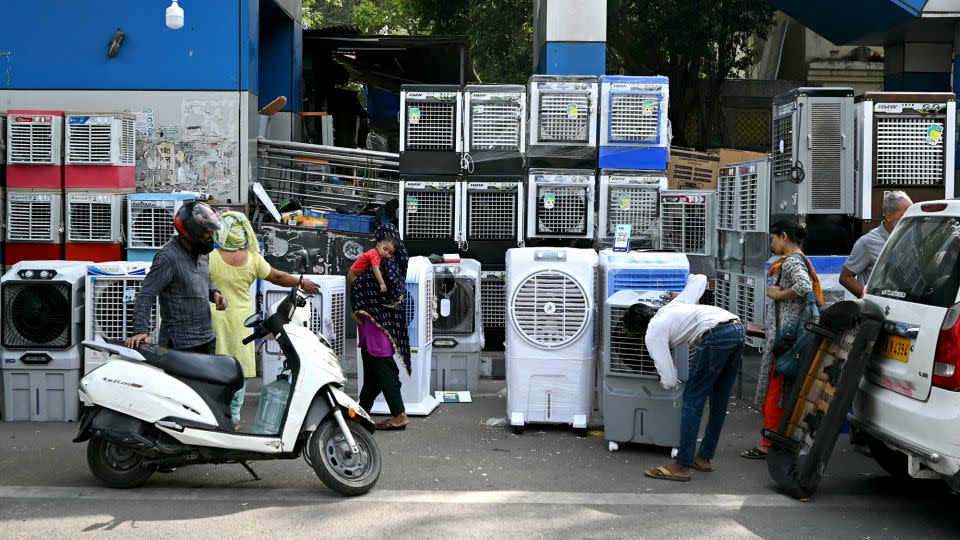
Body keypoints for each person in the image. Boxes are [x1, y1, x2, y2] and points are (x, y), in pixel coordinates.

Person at [208, 211, 320, 429]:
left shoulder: (209, 258)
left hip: (214, 318)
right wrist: (302, 282)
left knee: (213, 366)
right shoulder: (252, 259)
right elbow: (278, 277)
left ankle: (214, 415)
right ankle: (234, 418)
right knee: (239, 368)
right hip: (242, 320)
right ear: (245, 233)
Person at [628, 274, 745, 482]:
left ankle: (682, 465)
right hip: (736, 328)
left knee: (692, 398)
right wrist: (679, 292)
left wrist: (664, 384)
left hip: (716, 335)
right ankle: (704, 458)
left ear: (638, 330)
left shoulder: (652, 332)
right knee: (719, 401)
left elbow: (670, 379)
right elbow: (700, 279)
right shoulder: (671, 307)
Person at [741, 220, 825, 460]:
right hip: (790, 336)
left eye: (773, 238)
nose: (771, 243)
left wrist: (778, 293)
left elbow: (803, 286)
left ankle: (768, 443)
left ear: (784, 237)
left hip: (786, 339)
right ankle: (777, 439)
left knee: (776, 391)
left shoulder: (791, 262)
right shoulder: (796, 260)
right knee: (782, 391)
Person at [127, 201, 227, 354]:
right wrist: (140, 330)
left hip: (207, 338)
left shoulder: (202, 254)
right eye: (207, 231)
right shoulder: (167, 258)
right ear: (193, 232)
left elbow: (204, 279)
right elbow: (146, 296)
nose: (211, 235)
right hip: (180, 344)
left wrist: (214, 293)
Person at [351, 223, 410, 430]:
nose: (386, 254)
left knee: (384, 368)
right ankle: (361, 413)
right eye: (385, 249)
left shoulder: (386, 264)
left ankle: (399, 414)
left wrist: (357, 290)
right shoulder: (383, 261)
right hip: (372, 324)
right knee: (372, 371)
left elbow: (360, 283)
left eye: (390, 251)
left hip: (378, 325)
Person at [840, 191, 913, 298]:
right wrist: (868, 300)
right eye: (904, 215)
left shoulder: (910, 237)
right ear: (889, 216)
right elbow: (845, 277)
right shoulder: (867, 242)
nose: (910, 219)